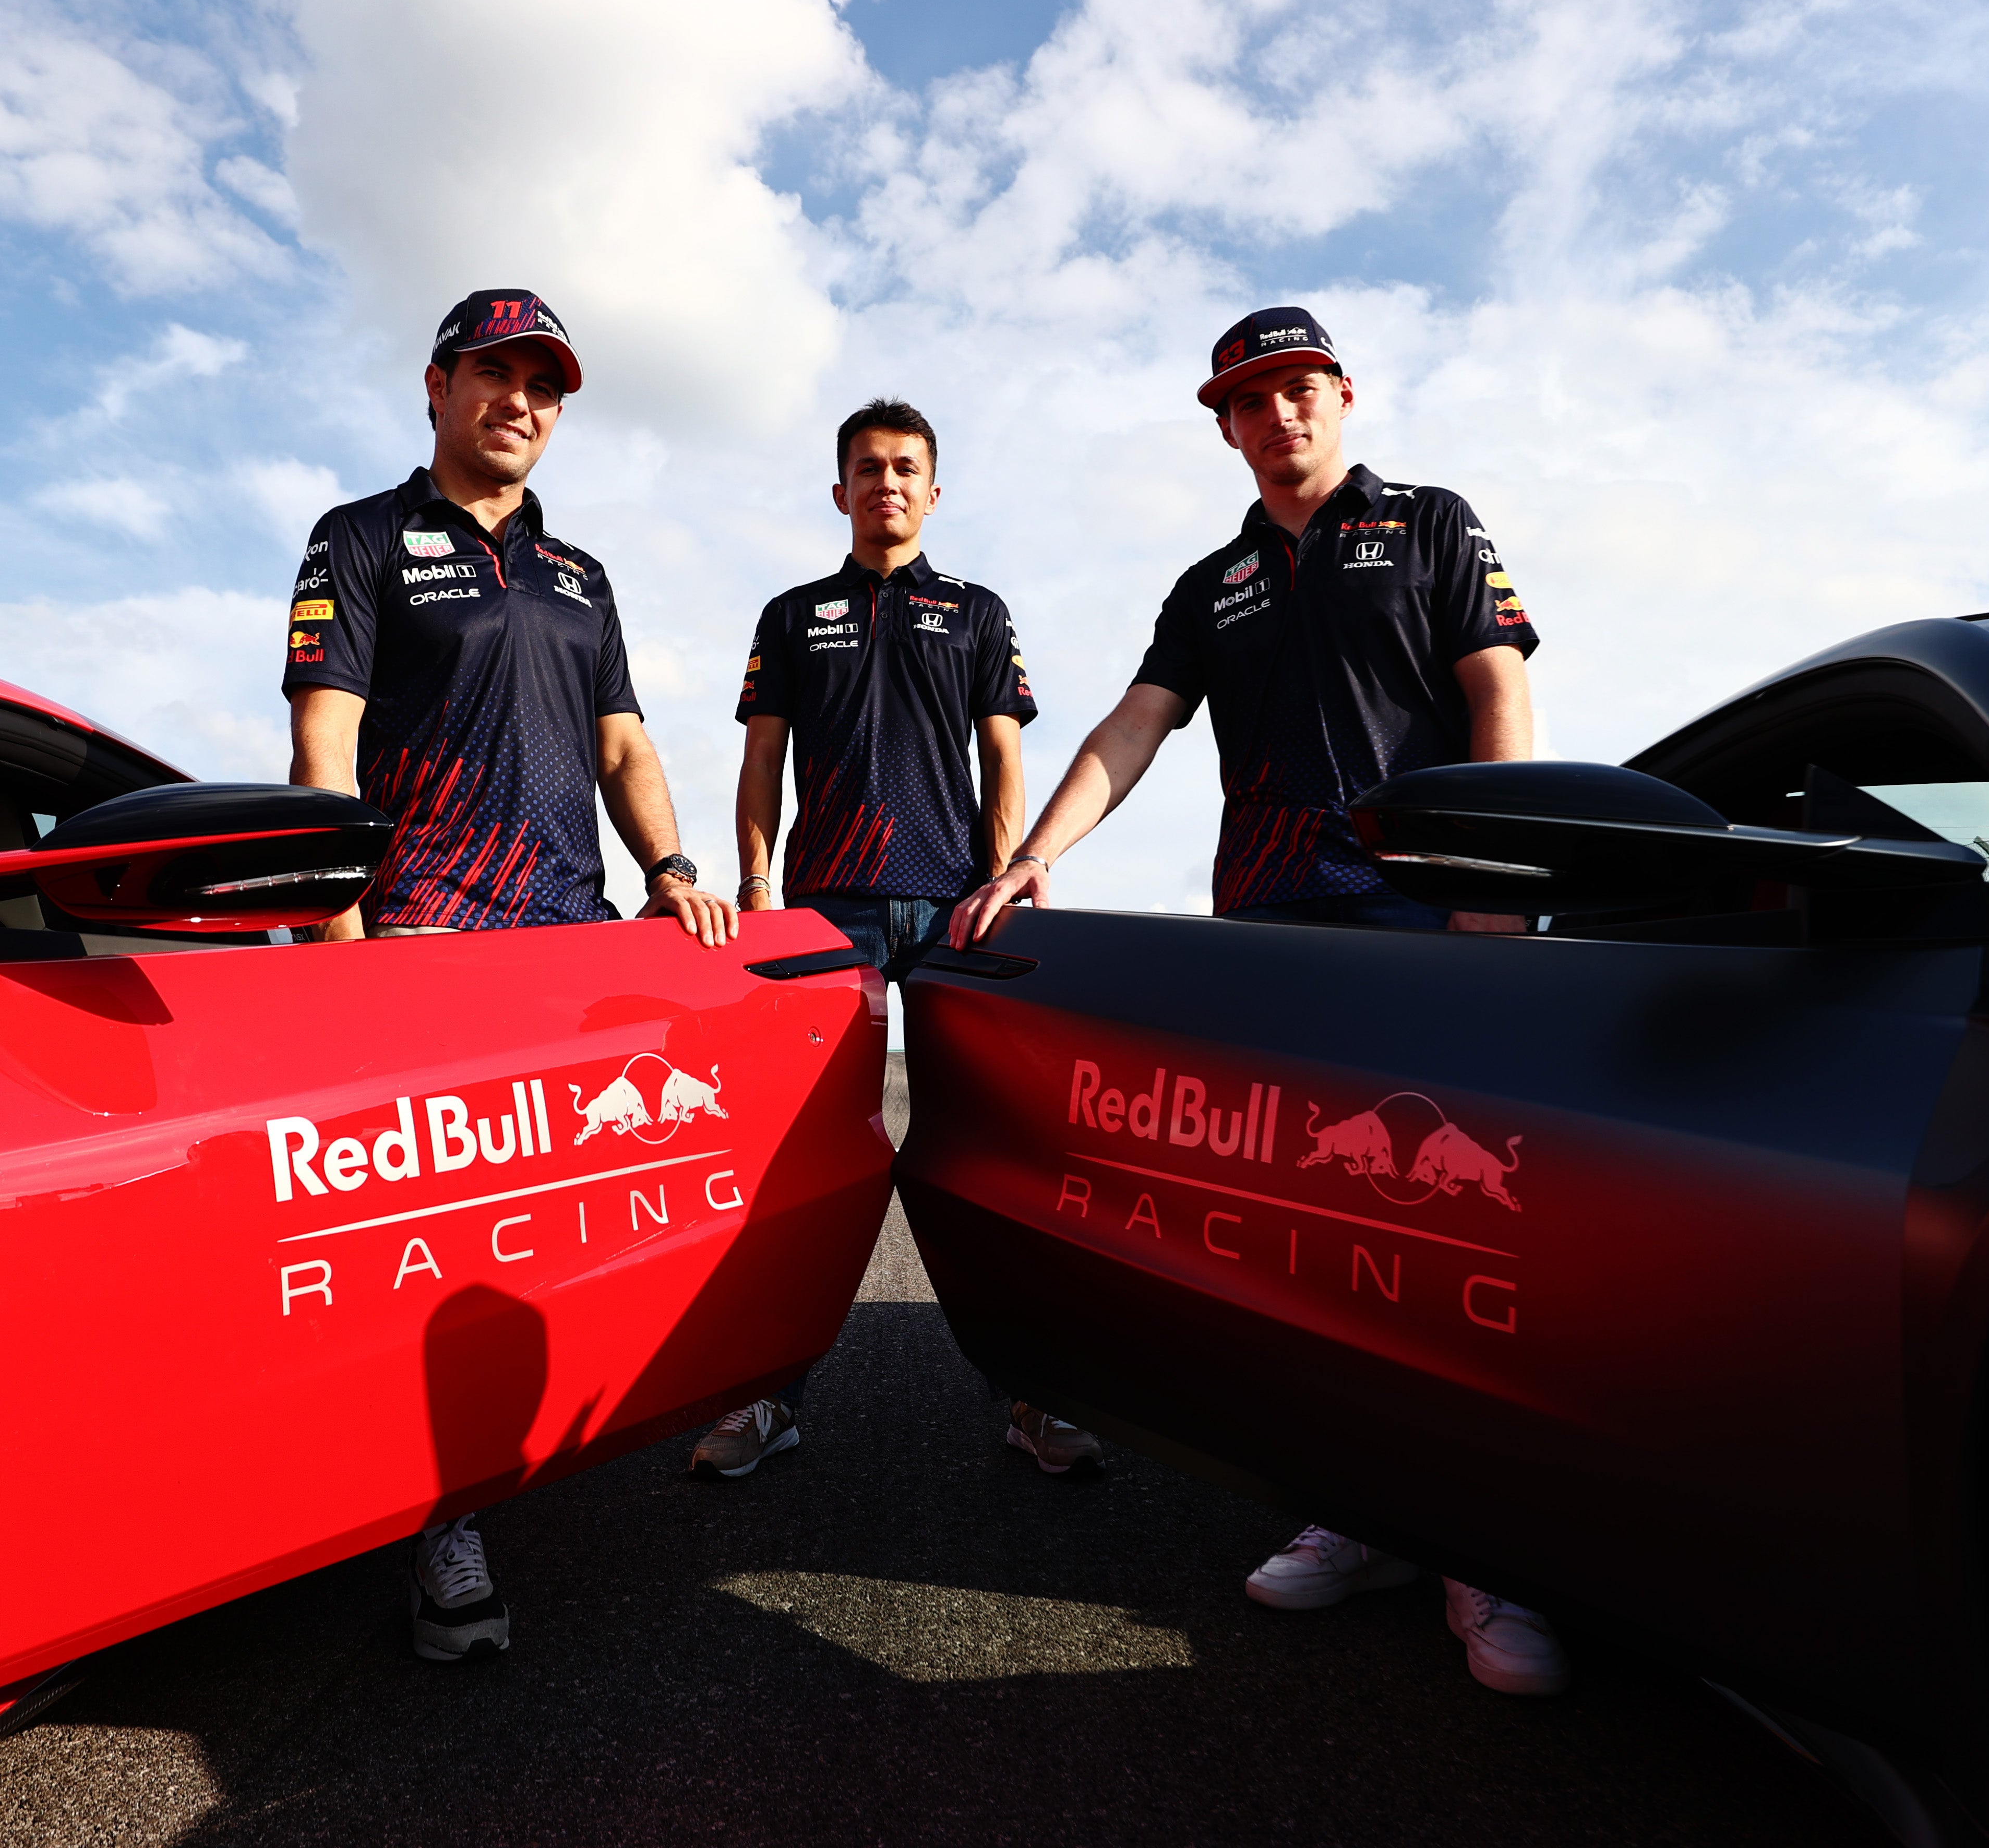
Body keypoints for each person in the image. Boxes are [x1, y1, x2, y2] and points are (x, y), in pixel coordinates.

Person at [943, 305, 1566, 1696]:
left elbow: (1498, 690)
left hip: (1422, 922)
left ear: (1342, 397)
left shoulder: (1431, 524)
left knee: (1450, 1252)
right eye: (1251, 399)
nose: (1280, 416)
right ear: (1223, 424)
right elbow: (1133, 725)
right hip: (1274, 934)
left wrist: (1493, 872)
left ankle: (1486, 1549)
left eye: (1300, 389)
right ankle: (1363, 1510)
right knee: (1327, 1249)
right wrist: (1033, 858)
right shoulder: (1213, 580)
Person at [282, 287, 736, 1663]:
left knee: (559, 1224)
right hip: (422, 941)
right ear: (438, 386)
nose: (523, 401)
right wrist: (339, 946)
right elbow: (325, 749)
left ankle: (518, 1455)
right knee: (436, 1251)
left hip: (572, 939)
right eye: (498, 372)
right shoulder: (358, 541)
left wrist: (670, 874)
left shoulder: (581, 576)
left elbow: (624, 749)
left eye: (546, 384)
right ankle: (441, 1526)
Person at [685, 399, 1100, 1482]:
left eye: (908, 468)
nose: (889, 484)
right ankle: (771, 1396)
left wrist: (1008, 873)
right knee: (804, 1160)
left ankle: (1033, 1397)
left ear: (934, 490)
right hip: (828, 912)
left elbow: (1003, 756)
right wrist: (759, 888)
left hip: (957, 905)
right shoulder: (792, 614)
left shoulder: (976, 611)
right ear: (841, 491)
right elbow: (761, 766)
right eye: (869, 469)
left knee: (994, 1152)